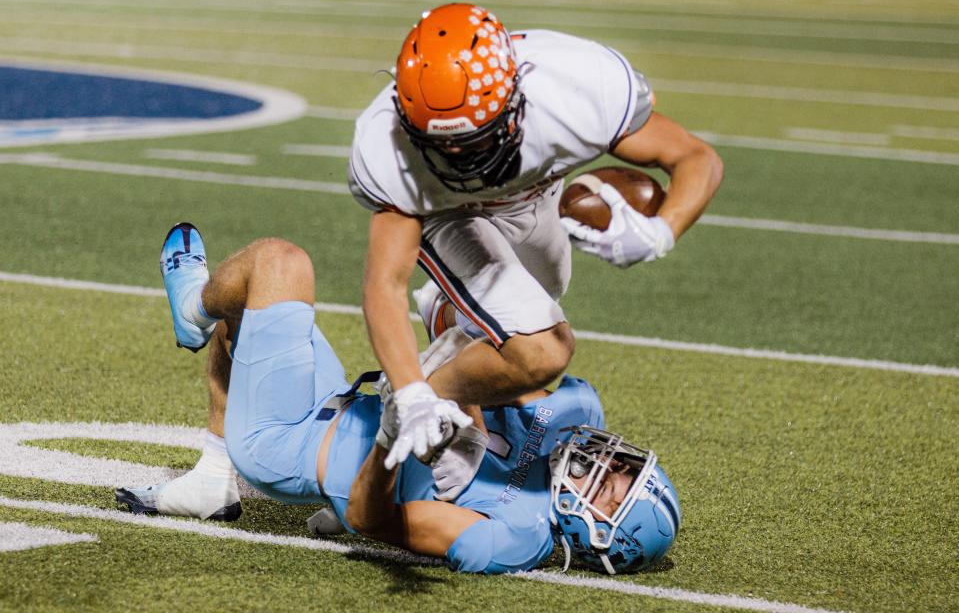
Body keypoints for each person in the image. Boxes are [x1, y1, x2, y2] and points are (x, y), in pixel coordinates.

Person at [117, 223, 682, 575]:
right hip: (341, 397)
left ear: (599, 534)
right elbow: (506, 368)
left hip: (288, 444)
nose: (604, 463)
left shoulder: (514, 535)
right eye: (625, 465)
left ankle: (193, 311)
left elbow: (372, 520)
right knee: (246, 310)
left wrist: (392, 434)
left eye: (611, 487)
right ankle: (213, 477)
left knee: (278, 262)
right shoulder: (572, 420)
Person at [350, 3, 723, 462]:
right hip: (451, 213)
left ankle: (446, 317)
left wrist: (660, 232)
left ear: (516, 96)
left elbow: (695, 158)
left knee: (546, 292)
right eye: (441, 143)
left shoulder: (578, 85)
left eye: (475, 140)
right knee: (541, 352)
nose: (459, 156)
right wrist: (414, 395)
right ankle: (421, 406)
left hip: (537, 194)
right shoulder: (385, 143)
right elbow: (384, 283)